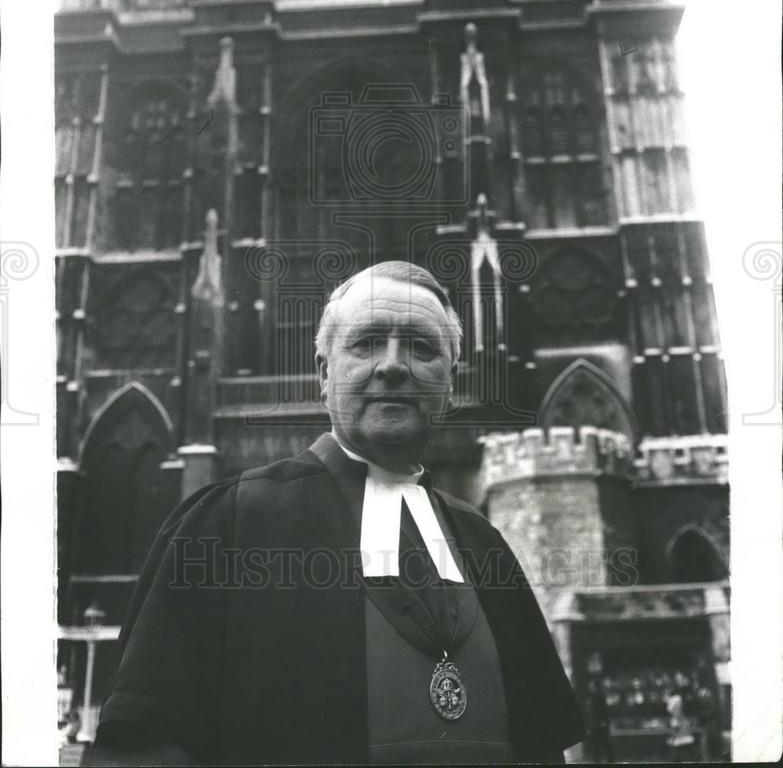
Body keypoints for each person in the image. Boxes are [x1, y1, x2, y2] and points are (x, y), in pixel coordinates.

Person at [85, 261, 584, 766]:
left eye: (422, 347)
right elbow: (142, 747)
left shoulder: (484, 545)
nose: (393, 365)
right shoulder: (224, 527)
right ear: (325, 373)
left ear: (450, 383)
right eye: (366, 343)